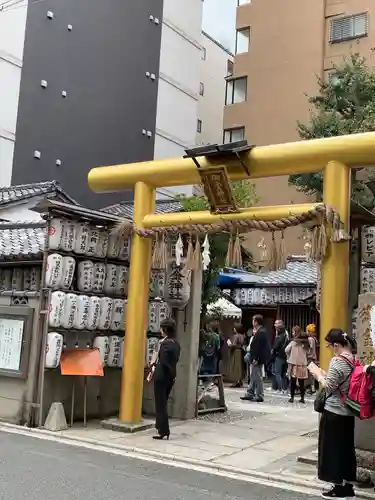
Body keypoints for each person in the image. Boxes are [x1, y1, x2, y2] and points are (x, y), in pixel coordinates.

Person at [317, 328, 357, 499]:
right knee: (347, 449)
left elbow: (330, 387)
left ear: (335, 345)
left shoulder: (337, 361)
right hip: (348, 412)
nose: (330, 349)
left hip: (334, 411)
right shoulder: (355, 359)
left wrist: (319, 376)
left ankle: (338, 487)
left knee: (332, 449)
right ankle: (348, 486)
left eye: (329, 346)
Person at [147, 318, 181, 440]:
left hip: (161, 376)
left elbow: (163, 361)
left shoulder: (164, 344)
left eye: (162, 328)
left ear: (165, 329)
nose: (160, 330)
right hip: (171, 376)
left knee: (160, 404)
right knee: (163, 402)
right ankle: (161, 428)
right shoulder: (176, 343)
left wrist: (154, 366)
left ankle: (163, 430)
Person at [241, 314, 270, 402]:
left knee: (257, 377)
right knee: (253, 376)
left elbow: (258, 348)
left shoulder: (261, 332)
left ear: (256, 322)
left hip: (257, 358)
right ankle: (250, 393)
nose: (252, 322)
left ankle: (260, 395)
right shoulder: (261, 331)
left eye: (253, 320)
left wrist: (255, 358)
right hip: (256, 357)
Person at [285, 325, 309, 403]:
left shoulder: (293, 342)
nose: (292, 333)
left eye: (293, 331)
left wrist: (290, 356)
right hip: (303, 364)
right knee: (302, 382)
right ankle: (302, 398)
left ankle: (292, 397)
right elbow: (308, 352)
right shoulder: (305, 343)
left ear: (296, 333)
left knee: (293, 382)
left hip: (294, 364)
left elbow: (286, 350)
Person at [271, 324, 288, 392]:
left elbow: (275, 347)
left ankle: (280, 388)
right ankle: (285, 388)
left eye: (277, 329)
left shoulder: (279, 337)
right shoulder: (286, 337)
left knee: (277, 372)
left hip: (279, 356)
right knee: (283, 373)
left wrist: (272, 351)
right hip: (285, 356)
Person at [306, 323, 318, 394]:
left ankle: (312, 389)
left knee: (311, 375)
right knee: (312, 374)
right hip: (313, 357)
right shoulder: (313, 338)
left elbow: (309, 348)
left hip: (310, 358)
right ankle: (312, 388)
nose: (306, 332)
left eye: (307, 330)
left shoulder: (310, 339)